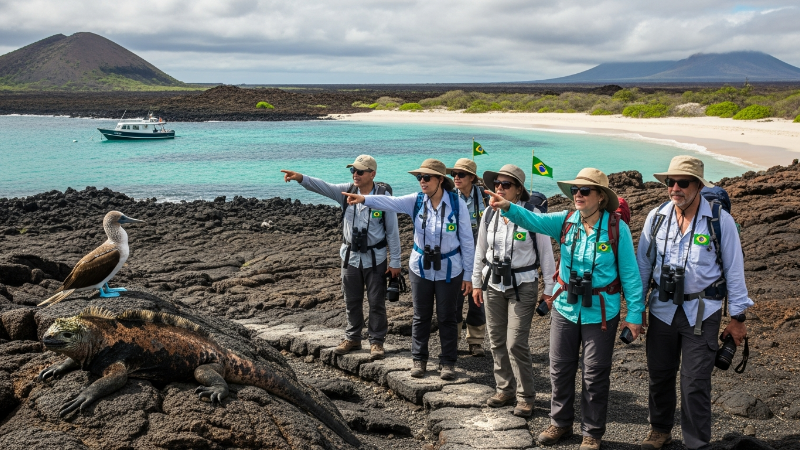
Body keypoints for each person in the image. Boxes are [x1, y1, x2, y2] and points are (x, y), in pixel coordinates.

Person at [484, 167, 644, 450]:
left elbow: (630, 275)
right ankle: (560, 423)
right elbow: (532, 219)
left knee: (594, 374)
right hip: (565, 308)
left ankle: (592, 432)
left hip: (601, 312)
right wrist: (508, 207)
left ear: (600, 197)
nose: (577, 195)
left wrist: (634, 316)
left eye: (584, 191)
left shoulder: (616, 228)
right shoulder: (565, 220)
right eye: (575, 191)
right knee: (559, 369)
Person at [636, 156, 752, 450]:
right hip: (662, 307)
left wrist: (738, 318)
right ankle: (660, 430)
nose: (675, 188)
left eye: (683, 183)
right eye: (670, 182)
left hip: (703, 311)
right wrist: (636, 310)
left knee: (695, 382)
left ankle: (696, 443)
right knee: (659, 374)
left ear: (698, 185)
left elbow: (735, 271)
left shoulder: (719, 220)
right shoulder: (657, 217)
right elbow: (642, 268)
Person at [342, 159, 474, 380]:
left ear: (440, 180)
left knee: (447, 317)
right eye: (419, 178)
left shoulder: (456, 203)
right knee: (421, 316)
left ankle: (448, 362)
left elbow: (468, 242)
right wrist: (364, 198)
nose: (422, 181)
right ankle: (419, 360)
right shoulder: (416, 200)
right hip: (420, 267)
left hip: (450, 269)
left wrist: (469, 276)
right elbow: (390, 202)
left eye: (426, 178)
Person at [281, 155, 402, 361]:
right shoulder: (346, 191)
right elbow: (322, 186)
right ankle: (353, 337)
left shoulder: (383, 197)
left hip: (376, 258)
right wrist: (301, 178)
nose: (355, 174)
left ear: (372, 174)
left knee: (376, 302)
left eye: (360, 171)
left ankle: (376, 342)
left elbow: (392, 232)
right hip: (350, 257)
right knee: (351, 300)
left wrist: (396, 262)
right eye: (353, 170)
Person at [472, 164, 556, 418]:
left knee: (516, 343)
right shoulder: (489, 213)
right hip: (493, 283)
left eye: (506, 184)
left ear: (518, 190)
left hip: (523, 284)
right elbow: (480, 250)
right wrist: (476, 282)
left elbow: (546, 255)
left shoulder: (532, 215)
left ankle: (525, 397)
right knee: (496, 340)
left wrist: (549, 290)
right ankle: (504, 389)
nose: (499, 188)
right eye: (497, 183)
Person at [447, 158, 489, 357]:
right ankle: (452, 341)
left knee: (477, 300)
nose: (456, 177)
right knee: (454, 299)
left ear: (472, 178)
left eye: (461, 174)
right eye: (454, 174)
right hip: (455, 255)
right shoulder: (449, 196)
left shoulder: (485, 197)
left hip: (480, 255)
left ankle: (476, 341)